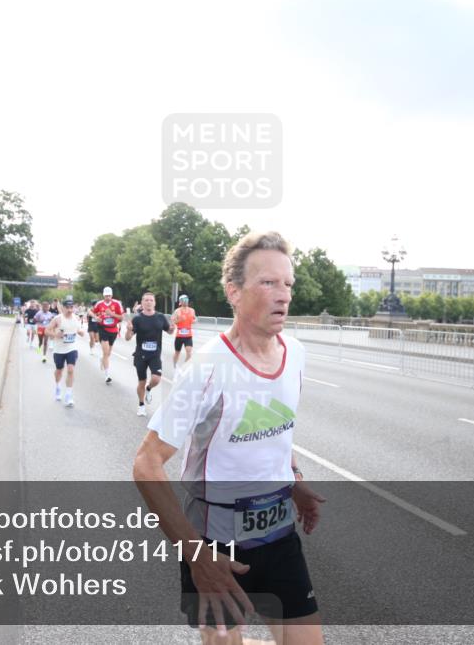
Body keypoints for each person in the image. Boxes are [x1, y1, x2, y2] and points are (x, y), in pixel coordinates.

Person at [133, 231, 325, 645]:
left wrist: (294, 481)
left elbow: (273, 428)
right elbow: (146, 463)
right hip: (216, 544)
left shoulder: (296, 354)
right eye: (268, 283)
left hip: (279, 537)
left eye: (287, 283)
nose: (283, 295)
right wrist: (196, 555)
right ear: (233, 291)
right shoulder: (207, 368)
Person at [124, 291, 174, 417]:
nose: (148, 302)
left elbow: (169, 331)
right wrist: (128, 330)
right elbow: (128, 338)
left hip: (155, 354)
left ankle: (149, 388)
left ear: (155, 303)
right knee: (141, 381)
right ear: (142, 303)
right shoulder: (137, 319)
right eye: (146, 300)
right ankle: (141, 405)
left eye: (151, 300)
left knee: (156, 379)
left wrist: (172, 329)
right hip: (140, 355)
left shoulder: (160, 317)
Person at [47, 296, 85, 407]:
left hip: (71, 348)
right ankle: (58, 387)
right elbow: (47, 330)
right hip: (59, 349)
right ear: (63, 308)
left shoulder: (76, 318)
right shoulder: (57, 319)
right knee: (59, 370)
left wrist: (81, 332)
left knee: (70, 369)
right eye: (67, 307)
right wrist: (55, 335)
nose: (70, 310)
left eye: (71, 307)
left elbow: (78, 329)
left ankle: (69, 395)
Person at [92, 287, 123, 383]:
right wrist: (96, 317)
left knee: (108, 354)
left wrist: (112, 314)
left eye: (109, 295)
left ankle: (103, 359)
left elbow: (121, 318)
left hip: (113, 330)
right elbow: (90, 312)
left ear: (112, 295)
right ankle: (107, 375)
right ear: (103, 295)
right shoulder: (99, 304)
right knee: (106, 353)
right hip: (103, 329)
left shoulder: (117, 304)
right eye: (106, 296)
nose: (108, 297)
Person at [172, 294, 197, 371]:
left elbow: (194, 319)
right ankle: (175, 365)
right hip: (179, 335)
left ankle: (184, 368)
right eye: (184, 300)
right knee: (177, 352)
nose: (185, 301)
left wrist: (194, 321)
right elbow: (173, 321)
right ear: (180, 302)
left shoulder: (192, 310)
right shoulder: (177, 311)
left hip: (188, 335)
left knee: (189, 352)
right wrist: (179, 320)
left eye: (186, 300)